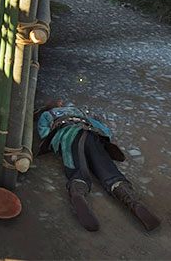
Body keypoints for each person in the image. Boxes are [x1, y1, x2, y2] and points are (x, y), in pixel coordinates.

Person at [36, 99, 160, 232]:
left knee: (77, 170)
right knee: (108, 171)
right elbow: (99, 126)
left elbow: (44, 133)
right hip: (89, 132)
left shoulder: (47, 115)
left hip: (67, 135)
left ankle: (78, 192)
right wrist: (105, 137)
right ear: (59, 105)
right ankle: (132, 200)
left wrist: (56, 143)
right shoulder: (77, 110)